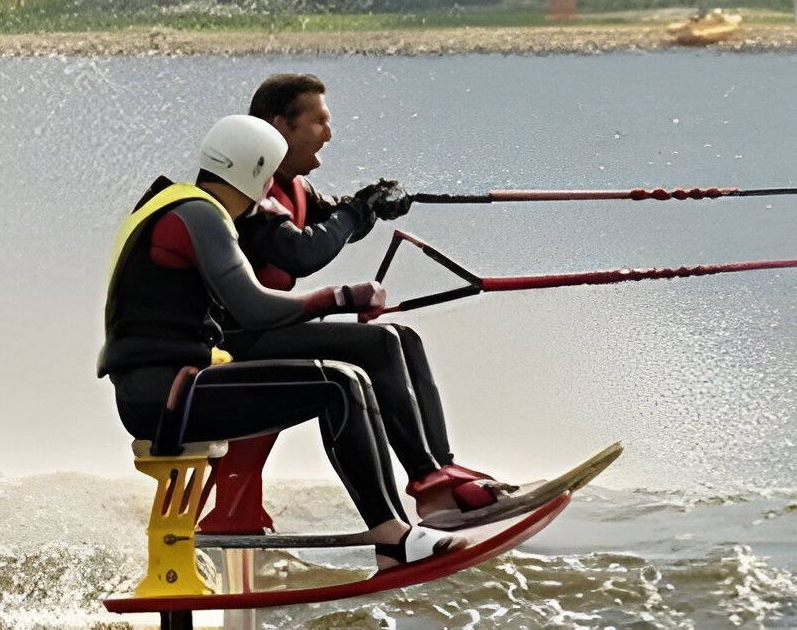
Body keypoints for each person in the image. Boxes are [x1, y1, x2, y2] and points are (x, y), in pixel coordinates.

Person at [98, 114, 468, 570]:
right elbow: (254, 308)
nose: (273, 184)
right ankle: (393, 538)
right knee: (337, 386)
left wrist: (357, 210)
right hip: (167, 397)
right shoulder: (198, 214)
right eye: (269, 173)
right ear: (254, 170)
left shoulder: (178, 203)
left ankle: (395, 531)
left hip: (171, 386)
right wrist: (338, 296)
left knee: (346, 379)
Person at [222, 73, 517, 527]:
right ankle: (426, 486)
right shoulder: (249, 187)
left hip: (268, 332)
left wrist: (374, 204)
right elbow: (301, 251)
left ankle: (439, 474)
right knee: (376, 346)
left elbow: (337, 222)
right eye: (319, 122)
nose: (329, 134)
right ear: (280, 126)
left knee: (403, 337)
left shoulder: (294, 188)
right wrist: (355, 212)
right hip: (231, 340)